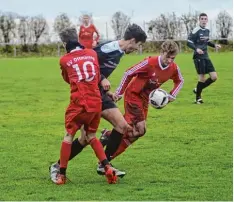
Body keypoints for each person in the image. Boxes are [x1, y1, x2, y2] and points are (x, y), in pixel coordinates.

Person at [49, 24, 147, 181]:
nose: (137, 48)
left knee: (120, 127)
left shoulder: (120, 52)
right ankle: (58, 166)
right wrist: (102, 79)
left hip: (100, 93)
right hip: (89, 94)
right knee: (86, 138)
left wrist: (107, 91)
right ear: (133, 41)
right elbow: (85, 61)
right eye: (138, 45)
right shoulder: (108, 48)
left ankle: (104, 164)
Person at [100, 40, 184, 168]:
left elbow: (180, 80)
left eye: (173, 58)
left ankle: (109, 138)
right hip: (133, 96)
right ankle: (106, 161)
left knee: (135, 132)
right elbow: (128, 73)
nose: (170, 61)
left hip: (144, 101)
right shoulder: (149, 63)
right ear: (162, 52)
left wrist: (172, 95)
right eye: (168, 57)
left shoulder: (173, 68)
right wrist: (119, 92)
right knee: (139, 129)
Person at [53, 28, 117, 185]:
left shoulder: (64, 60)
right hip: (96, 102)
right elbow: (95, 75)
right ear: (79, 41)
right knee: (91, 136)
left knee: (69, 136)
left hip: (79, 103)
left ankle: (61, 175)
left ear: (65, 45)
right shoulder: (92, 54)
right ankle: (107, 168)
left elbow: (68, 79)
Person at [187, 13, 221, 104]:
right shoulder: (196, 30)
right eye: (202, 18)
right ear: (199, 20)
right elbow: (189, 42)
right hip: (198, 57)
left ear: (207, 20)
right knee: (202, 77)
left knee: (214, 77)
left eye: (205, 19)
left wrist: (215, 45)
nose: (203, 20)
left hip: (206, 56)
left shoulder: (207, 30)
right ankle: (198, 98)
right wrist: (196, 49)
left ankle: (198, 89)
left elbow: (207, 41)